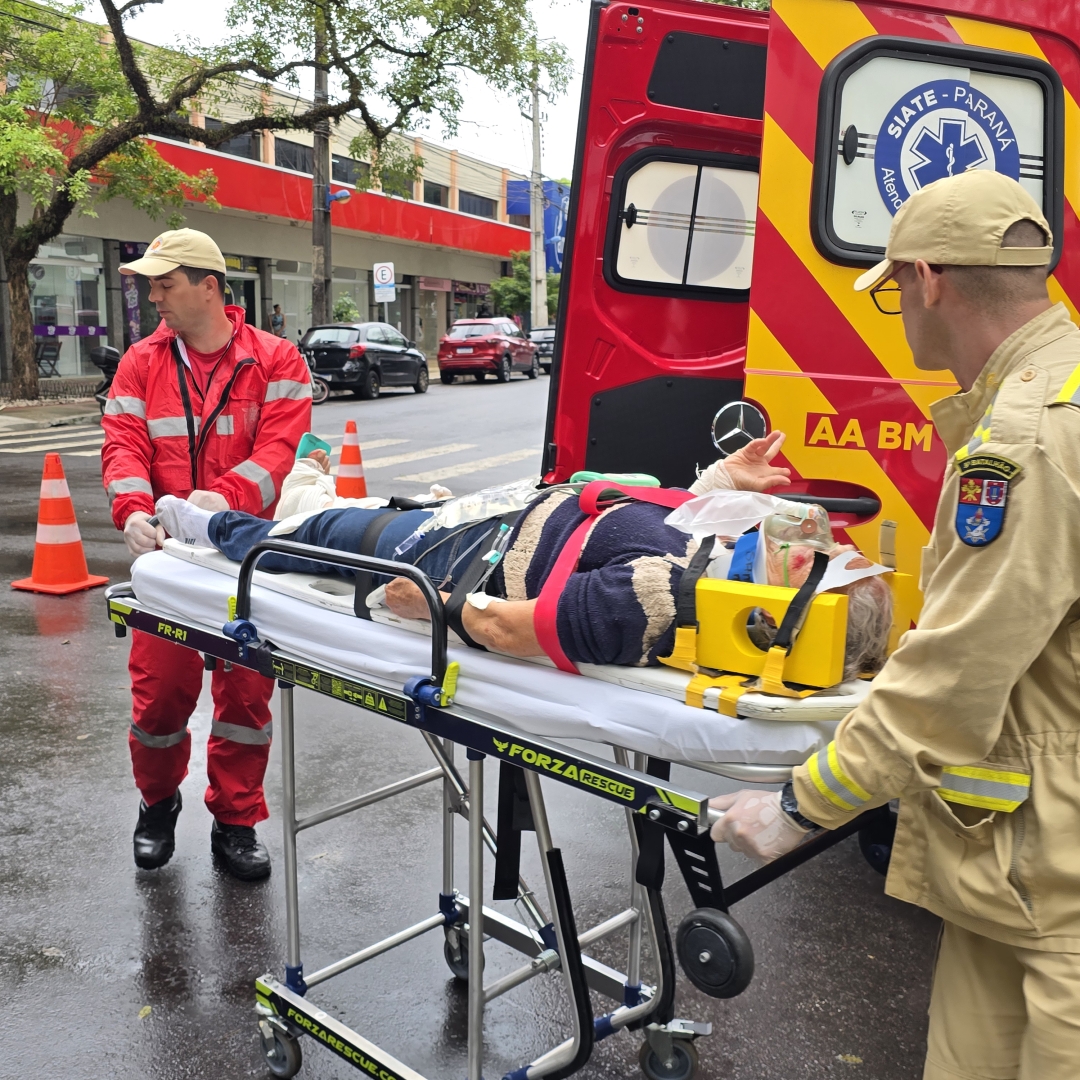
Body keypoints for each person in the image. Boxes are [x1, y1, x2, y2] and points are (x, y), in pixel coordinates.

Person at [711, 169, 1080, 1079]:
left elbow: (954, 674)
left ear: (927, 280)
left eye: (893, 294)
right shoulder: (1050, 393)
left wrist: (801, 805)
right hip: (1017, 879)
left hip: (1058, 891)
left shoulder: (1026, 439)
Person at [153, 434, 892, 679]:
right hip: (498, 517)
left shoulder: (661, 598)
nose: (810, 535)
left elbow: (512, 628)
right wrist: (718, 484)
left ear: (787, 605)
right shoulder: (725, 568)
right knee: (351, 515)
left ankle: (210, 532)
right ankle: (250, 522)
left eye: (814, 555)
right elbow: (664, 532)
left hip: (453, 556)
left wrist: (433, 605)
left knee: (319, 538)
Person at [101, 228, 312, 880]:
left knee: (246, 700)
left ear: (209, 285)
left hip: (245, 559)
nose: (153, 295)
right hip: (166, 563)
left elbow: (276, 460)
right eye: (151, 284)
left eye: (165, 283)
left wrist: (207, 511)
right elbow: (124, 445)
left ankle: (237, 820)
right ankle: (157, 804)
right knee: (160, 697)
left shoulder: (278, 361)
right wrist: (134, 512)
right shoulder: (142, 361)